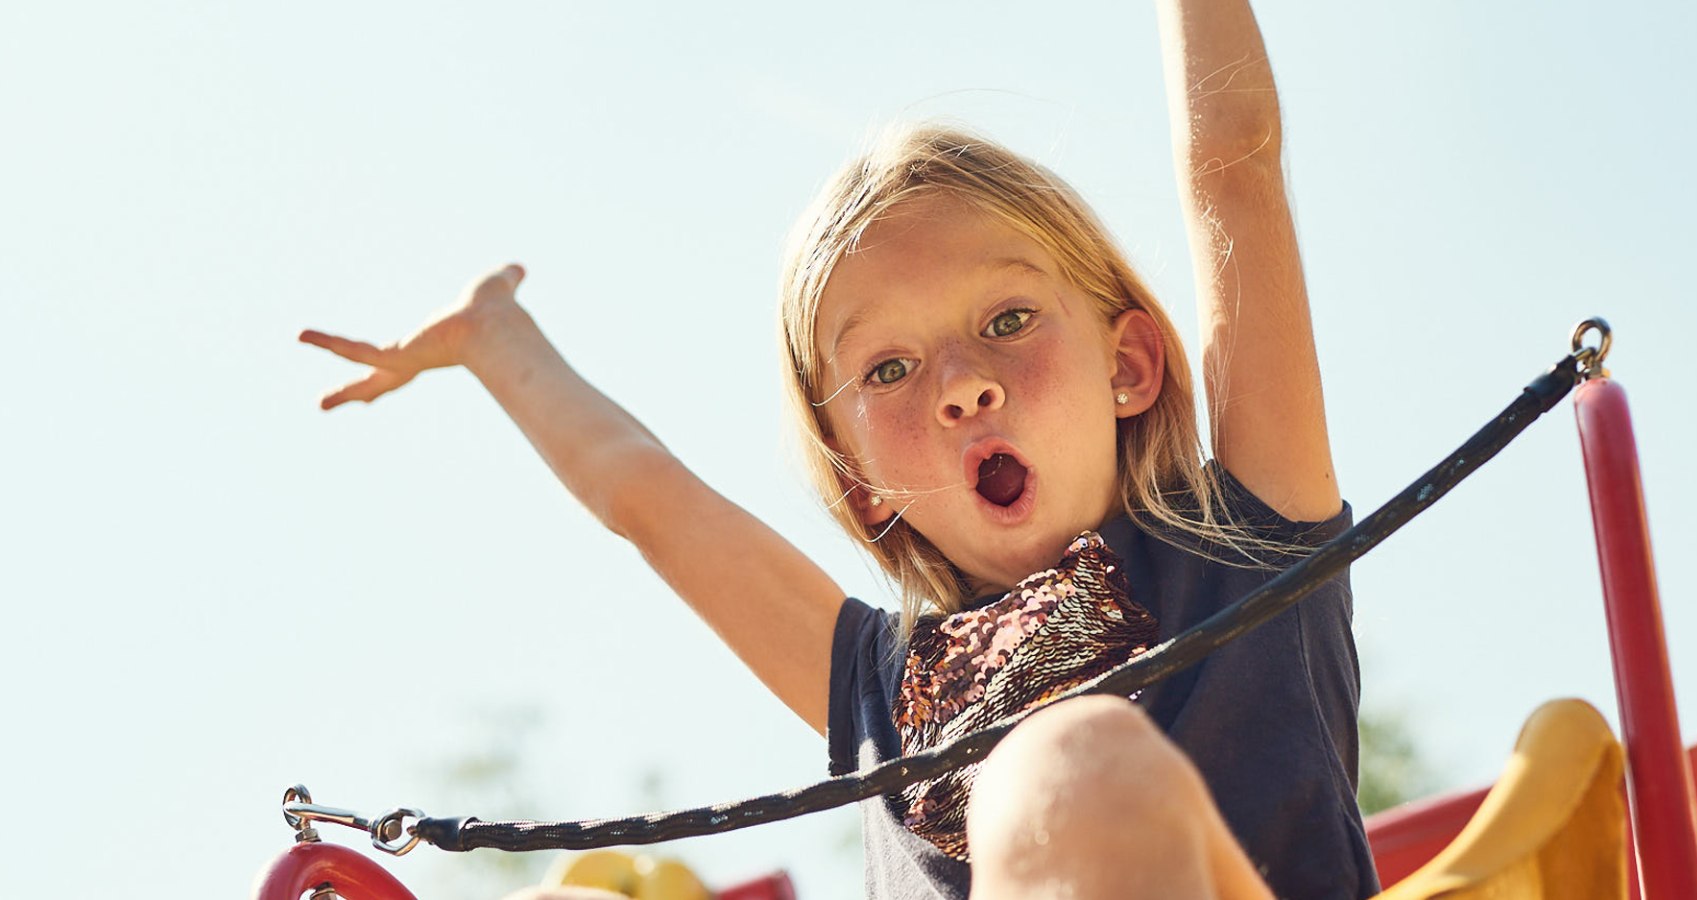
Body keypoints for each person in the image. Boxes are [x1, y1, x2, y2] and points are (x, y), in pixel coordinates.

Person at [301, 1, 1374, 897]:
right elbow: (652, 504)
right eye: (890, 371)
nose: (962, 385)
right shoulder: (874, 684)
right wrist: (499, 344)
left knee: (1075, 762)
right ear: (861, 486)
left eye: (1006, 321)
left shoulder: (1247, 541)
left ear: (1130, 363)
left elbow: (1234, 169)